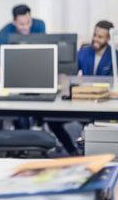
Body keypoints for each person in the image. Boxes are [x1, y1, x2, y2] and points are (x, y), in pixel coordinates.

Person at [49, 20, 117, 156]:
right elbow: (71, 72)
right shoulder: (84, 52)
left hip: (104, 104)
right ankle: (72, 151)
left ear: (108, 38)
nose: (95, 39)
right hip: (83, 101)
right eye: (95, 35)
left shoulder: (114, 55)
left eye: (100, 37)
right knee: (52, 120)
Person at [0, 4, 46, 69]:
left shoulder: (39, 25)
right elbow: (0, 64)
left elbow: (43, 53)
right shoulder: (4, 33)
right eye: (22, 24)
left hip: (36, 66)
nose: (26, 27)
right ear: (14, 22)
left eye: (28, 22)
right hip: (14, 68)